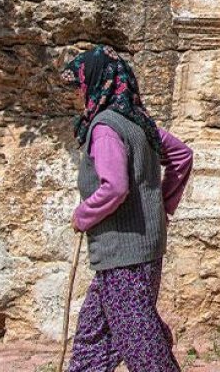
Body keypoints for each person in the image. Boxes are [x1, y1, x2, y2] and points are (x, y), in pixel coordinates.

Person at [61, 45, 194, 372]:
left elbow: (115, 187)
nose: (75, 95)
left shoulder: (106, 128)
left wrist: (82, 216)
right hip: (137, 250)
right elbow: (182, 156)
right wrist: (159, 206)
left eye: (78, 86)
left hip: (125, 253)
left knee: (140, 340)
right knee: (95, 333)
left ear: (95, 83)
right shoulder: (140, 123)